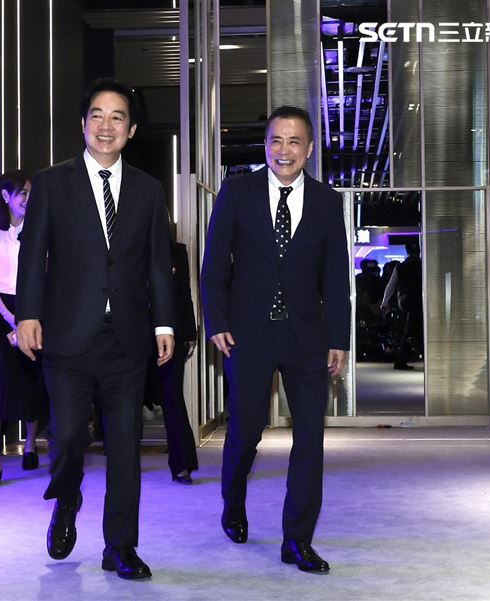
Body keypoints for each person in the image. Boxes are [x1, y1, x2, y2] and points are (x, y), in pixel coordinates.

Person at [16, 78, 175, 581]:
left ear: (131, 130)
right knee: (67, 438)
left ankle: (120, 547)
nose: (107, 126)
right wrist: (26, 314)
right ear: (83, 124)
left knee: (125, 445)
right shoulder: (52, 183)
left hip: (126, 339)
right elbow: (32, 254)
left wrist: (164, 322)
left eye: (118, 117)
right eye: (98, 116)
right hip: (66, 337)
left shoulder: (148, 190)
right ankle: (66, 497)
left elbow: (158, 263)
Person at [201, 105, 350, 572]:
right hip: (248, 335)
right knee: (245, 432)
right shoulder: (237, 191)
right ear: (265, 145)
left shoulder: (328, 202)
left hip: (307, 337)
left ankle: (297, 539)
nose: (284, 151)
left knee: (309, 438)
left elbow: (336, 278)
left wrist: (339, 338)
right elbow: (214, 265)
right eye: (276, 141)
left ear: (309, 149)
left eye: (294, 142)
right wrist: (217, 320)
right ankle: (233, 503)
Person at [0, 169, 46, 487]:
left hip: (33, 308)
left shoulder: (39, 229)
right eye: (22, 193)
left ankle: (30, 445)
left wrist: (27, 315)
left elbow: (46, 274)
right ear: (6, 196)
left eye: (30, 192)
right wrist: (9, 316)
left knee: (32, 380)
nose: (28, 198)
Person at [156, 239, 199, 483]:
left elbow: (184, 293)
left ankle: (182, 462)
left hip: (173, 333)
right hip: (134, 333)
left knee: (172, 397)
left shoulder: (176, 250)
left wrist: (190, 333)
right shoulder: (126, 245)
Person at [381, 242, 422, 370]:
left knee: (410, 329)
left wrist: (385, 303)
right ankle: (402, 359)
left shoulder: (401, 266)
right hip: (419, 299)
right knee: (414, 329)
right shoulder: (422, 264)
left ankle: (401, 359)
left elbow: (391, 286)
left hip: (405, 300)